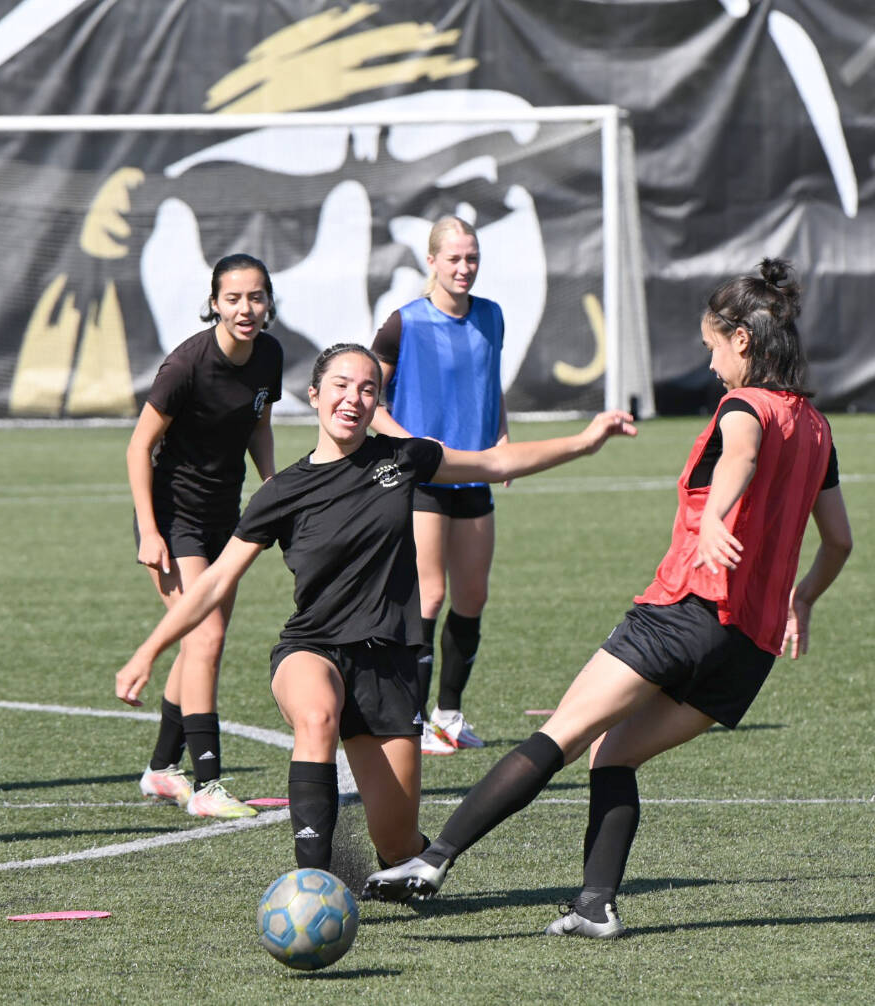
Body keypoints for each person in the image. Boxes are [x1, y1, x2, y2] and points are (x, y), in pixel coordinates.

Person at [363, 259, 852, 940]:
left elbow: (739, 452)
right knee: (613, 755)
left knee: (562, 735)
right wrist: (804, 598)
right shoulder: (820, 428)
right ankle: (596, 906)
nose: (710, 363)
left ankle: (431, 858)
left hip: (684, 612)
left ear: (743, 340)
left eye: (712, 346)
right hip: (749, 648)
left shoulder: (745, 406)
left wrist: (717, 518)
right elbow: (840, 542)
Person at [116, 343, 635, 872]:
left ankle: (399, 863)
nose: (354, 398)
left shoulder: (402, 458)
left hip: (390, 664)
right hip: (311, 648)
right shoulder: (281, 492)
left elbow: (494, 461)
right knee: (316, 715)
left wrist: (586, 441)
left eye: (367, 389)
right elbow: (214, 581)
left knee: (397, 846)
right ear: (315, 396)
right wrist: (149, 651)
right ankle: (313, 880)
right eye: (340, 385)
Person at [127, 253, 282, 819]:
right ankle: (208, 784)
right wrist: (149, 530)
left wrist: (272, 489)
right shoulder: (186, 365)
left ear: (268, 303)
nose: (246, 308)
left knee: (199, 643)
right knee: (206, 639)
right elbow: (138, 446)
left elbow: (259, 426)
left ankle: (162, 771)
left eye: (256, 297)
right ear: (214, 302)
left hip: (227, 517)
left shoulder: (269, 354)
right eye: (234, 298)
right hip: (173, 519)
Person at [371, 215, 506, 756]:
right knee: (429, 595)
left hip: (474, 476)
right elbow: (369, 403)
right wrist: (411, 447)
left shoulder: (492, 316)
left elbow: (491, 388)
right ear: (431, 261)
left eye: (471, 257)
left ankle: (449, 714)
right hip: (423, 480)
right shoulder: (402, 324)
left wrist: (503, 443)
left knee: (472, 597)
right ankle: (413, 719)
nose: (464, 267)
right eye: (453, 258)